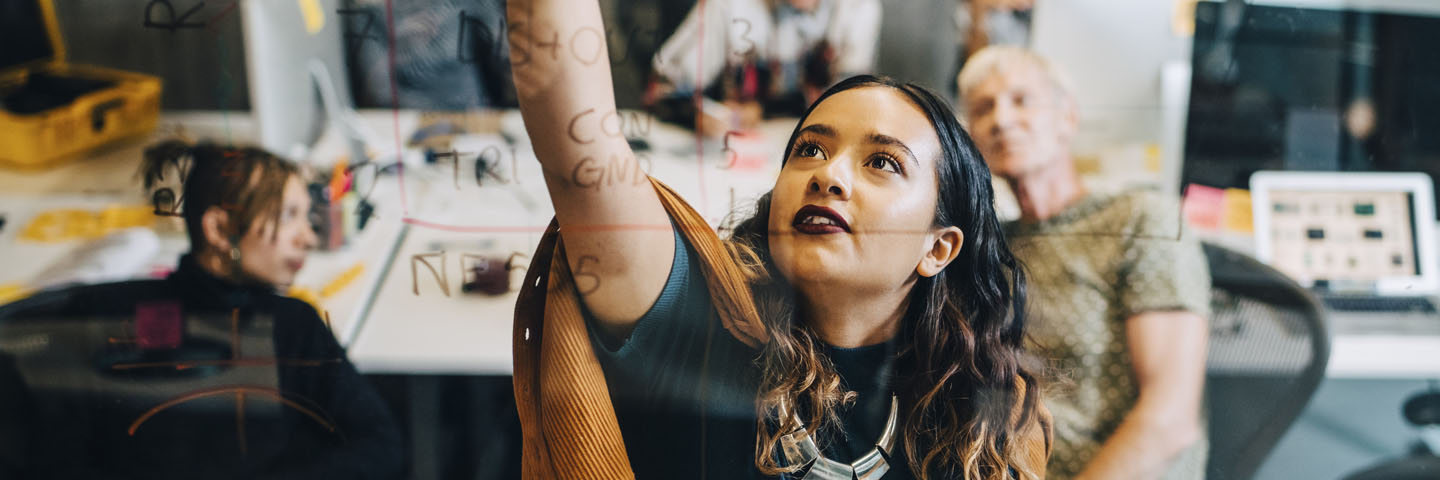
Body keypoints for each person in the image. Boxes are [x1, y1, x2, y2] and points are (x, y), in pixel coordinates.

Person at [507, 0, 1051, 478]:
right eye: (809, 149)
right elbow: (577, 144)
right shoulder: (692, 320)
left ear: (938, 248)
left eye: (882, 161)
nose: (828, 175)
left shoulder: (986, 418)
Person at [1, 142, 404, 479]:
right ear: (218, 229)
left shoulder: (117, 313)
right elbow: (382, 447)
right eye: (288, 216)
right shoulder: (289, 326)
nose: (309, 236)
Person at [957, 45, 1210, 480]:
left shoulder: (1140, 221)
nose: (1001, 119)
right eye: (983, 108)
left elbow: (1170, 420)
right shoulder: (992, 246)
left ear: (1067, 118)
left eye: (1022, 100)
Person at [646, 0, 881, 137]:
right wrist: (696, 116)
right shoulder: (728, 6)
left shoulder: (856, 8)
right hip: (729, 154)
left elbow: (852, 103)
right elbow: (661, 90)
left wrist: (761, 110)